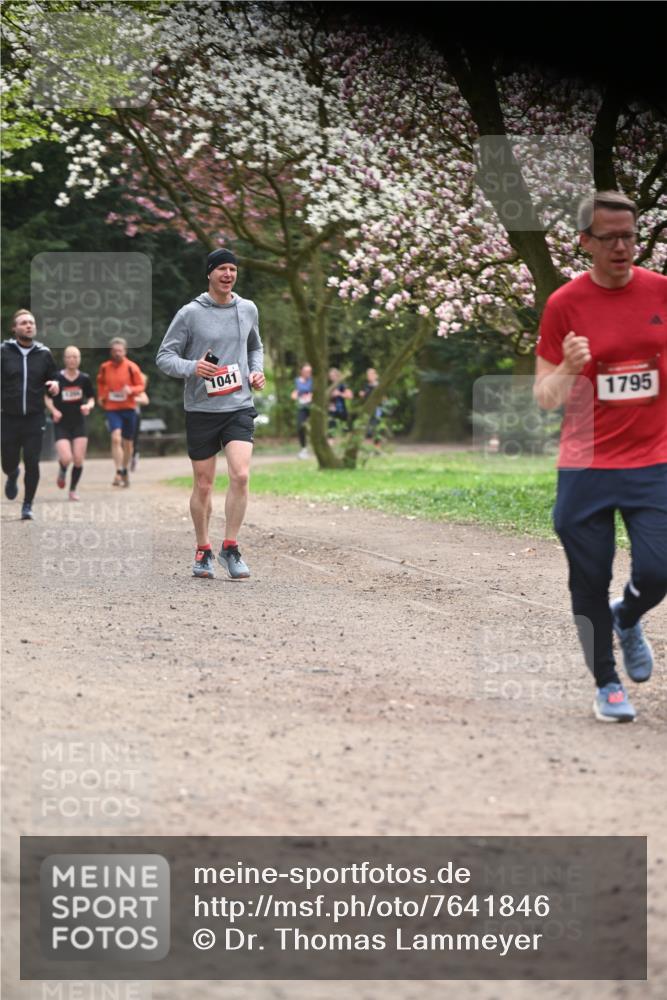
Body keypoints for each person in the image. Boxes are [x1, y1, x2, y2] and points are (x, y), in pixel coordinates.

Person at [534, 190, 667, 724]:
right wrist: (567, 367)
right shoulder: (565, 304)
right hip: (586, 464)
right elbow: (545, 396)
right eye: (608, 237)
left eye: (629, 236)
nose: (621, 246)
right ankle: (607, 685)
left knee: (659, 569)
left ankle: (627, 614)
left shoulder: (661, 292)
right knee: (588, 578)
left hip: (654, 459)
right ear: (585, 241)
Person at [156, 247, 265, 580]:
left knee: (241, 474)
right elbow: (164, 356)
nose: (228, 275)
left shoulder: (247, 309)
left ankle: (230, 547)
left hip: (238, 405)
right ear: (209, 273)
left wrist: (256, 371)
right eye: (221, 269)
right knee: (203, 485)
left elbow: (254, 346)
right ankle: (203, 549)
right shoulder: (190, 313)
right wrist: (194, 367)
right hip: (202, 408)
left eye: (233, 269)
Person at [1, 309, 59, 519]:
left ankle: (27, 505)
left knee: (32, 461)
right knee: (8, 462)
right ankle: (12, 473)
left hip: (34, 418)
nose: (29, 326)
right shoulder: (4, 351)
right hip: (8, 416)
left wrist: (54, 385)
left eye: (31, 323)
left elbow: (53, 376)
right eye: (24, 323)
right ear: (14, 328)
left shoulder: (43, 353)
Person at [44, 345, 95, 501]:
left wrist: (88, 406)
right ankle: (63, 470)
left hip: (79, 422)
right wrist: (54, 411)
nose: (72, 360)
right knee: (66, 458)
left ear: (79, 359)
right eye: (69, 357)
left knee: (78, 459)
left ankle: (72, 490)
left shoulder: (84, 378)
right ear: (64, 359)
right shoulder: (56, 377)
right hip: (62, 423)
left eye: (75, 357)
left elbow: (92, 398)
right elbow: (46, 397)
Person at [96, 338, 146, 488]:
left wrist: (131, 390)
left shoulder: (132, 367)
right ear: (111, 352)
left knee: (128, 444)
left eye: (120, 350)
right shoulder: (104, 367)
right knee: (115, 438)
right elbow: (100, 383)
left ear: (124, 351)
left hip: (129, 408)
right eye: (115, 350)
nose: (117, 353)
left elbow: (141, 385)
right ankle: (118, 471)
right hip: (113, 409)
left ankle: (125, 469)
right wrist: (102, 395)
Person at [291, 363, 313, 459]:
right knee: (300, 427)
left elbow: (315, 391)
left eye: (309, 371)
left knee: (315, 428)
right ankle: (304, 449)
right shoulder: (297, 381)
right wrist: (294, 395)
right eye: (306, 371)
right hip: (302, 407)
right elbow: (295, 392)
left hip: (313, 407)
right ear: (302, 371)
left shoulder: (313, 380)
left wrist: (310, 396)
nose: (308, 373)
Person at [359, 366, 384, 444]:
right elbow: (363, 396)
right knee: (368, 427)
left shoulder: (379, 385)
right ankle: (368, 447)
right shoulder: (366, 386)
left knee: (376, 426)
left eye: (371, 374)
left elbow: (383, 398)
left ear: (376, 375)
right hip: (368, 409)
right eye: (368, 375)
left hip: (377, 408)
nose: (369, 376)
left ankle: (377, 447)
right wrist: (361, 394)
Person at [327, 367, 353, 436]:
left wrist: (339, 394)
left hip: (342, 410)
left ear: (337, 376)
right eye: (331, 376)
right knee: (330, 431)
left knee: (345, 430)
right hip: (332, 410)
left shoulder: (342, 385)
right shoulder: (329, 386)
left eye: (334, 376)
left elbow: (350, 395)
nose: (332, 378)